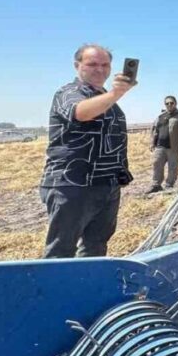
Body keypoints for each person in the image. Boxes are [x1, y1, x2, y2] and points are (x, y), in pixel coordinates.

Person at [40, 44, 135, 258]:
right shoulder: (69, 92)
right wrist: (116, 93)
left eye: (105, 64)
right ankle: (56, 291)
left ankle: (87, 289)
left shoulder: (104, 97)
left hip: (105, 184)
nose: (99, 69)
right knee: (61, 251)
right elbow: (81, 113)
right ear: (77, 65)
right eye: (92, 64)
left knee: (96, 246)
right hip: (73, 184)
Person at [147, 95, 178, 194]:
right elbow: (155, 130)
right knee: (156, 163)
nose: (169, 105)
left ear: (176, 103)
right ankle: (156, 185)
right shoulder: (160, 116)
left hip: (174, 147)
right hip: (160, 146)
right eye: (167, 103)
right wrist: (152, 142)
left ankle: (169, 185)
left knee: (173, 167)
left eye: (171, 103)